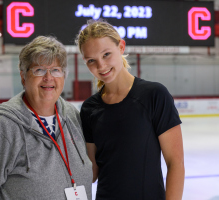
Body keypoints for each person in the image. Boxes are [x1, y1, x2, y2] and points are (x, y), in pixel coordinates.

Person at [0, 36, 92, 200]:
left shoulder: (72, 115)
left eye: (56, 70)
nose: (48, 77)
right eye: (39, 70)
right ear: (23, 76)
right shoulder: (1, 127)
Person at [75, 19, 185, 200]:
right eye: (91, 60)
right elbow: (92, 172)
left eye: (106, 54)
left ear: (121, 47)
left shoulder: (154, 95)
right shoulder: (89, 108)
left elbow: (176, 163)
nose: (101, 66)